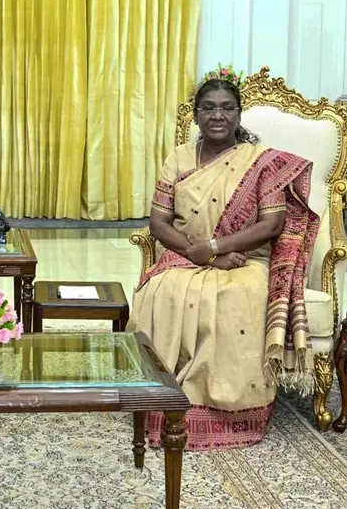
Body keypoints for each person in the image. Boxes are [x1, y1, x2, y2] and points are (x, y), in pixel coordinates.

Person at [126, 66, 319, 450]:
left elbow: (272, 224)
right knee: (159, 291)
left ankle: (226, 409)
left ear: (238, 114)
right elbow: (158, 223)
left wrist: (217, 248)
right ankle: (161, 400)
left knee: (235, 298)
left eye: (227, 108)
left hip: (247, 259)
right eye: (209, 108)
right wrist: (204, 257)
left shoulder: (261, 161)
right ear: (196, 115)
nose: (218, 116)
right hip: (186, 254)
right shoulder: (178, 158)